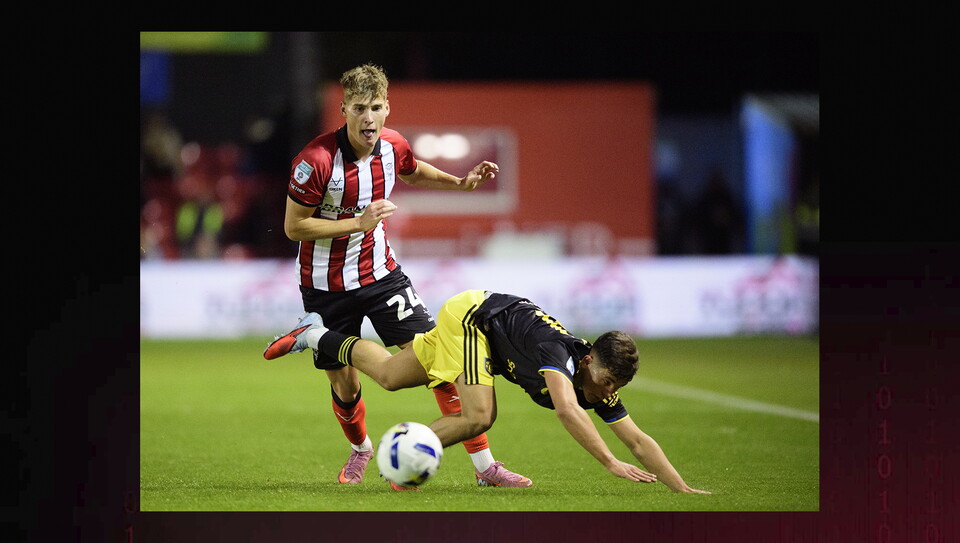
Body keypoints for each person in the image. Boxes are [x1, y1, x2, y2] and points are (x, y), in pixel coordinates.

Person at [276, 63, 530, 490]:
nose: (368, 117)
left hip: (382, 276)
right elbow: (293, 227)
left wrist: (460, 183)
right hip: (325, 285)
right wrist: (357, 223)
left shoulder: (393, 145)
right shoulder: (315, 162)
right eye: (359, 108)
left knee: (440, 362)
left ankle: (485, 467)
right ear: (344, 109)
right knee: (344, 384)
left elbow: (414, 170)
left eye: (376, 107)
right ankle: (360, 451)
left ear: (387, 108)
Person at [265, 289, 711, 493]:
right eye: (607, 382)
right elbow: (567, 412)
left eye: (615, 386)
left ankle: (314, 336)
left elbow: (636, 437)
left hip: (482, 330)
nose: (607, 392)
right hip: (474, 319)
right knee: (479, 415)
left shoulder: (597, 382)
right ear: (590, 360)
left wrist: (681, 489)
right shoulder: (559, 354)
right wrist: (610, 463)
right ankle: (401, 456)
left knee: (387, 375)